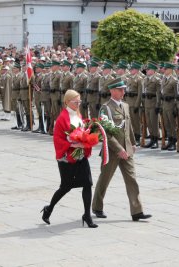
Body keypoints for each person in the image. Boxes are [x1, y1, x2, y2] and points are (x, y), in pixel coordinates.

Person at [92, 78, 152, 222]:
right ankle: (97, 206)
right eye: (120, 89)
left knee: (132, 179)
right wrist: (118, 149)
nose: (123, 92)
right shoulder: (106, 108)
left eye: (124, 89)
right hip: (112, 151)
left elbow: (128, 126)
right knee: (104, 179)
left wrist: (132, 142)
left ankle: (137, 211)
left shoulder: (125, 105)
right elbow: (105, 132)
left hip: (127, 149)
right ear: (112, 91)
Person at [41, 89, 98, 228]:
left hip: (81, 155)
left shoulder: (78, 115)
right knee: (65, 187)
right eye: (75, 102)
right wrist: (71, 143)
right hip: (67, 158)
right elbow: (57, 139)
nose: (78, 104)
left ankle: (87, 215)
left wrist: (88, 137)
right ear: (67, 102)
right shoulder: (62, 118)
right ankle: (49, 208)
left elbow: (82, 130)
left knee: (87, 184)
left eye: (79, 101)